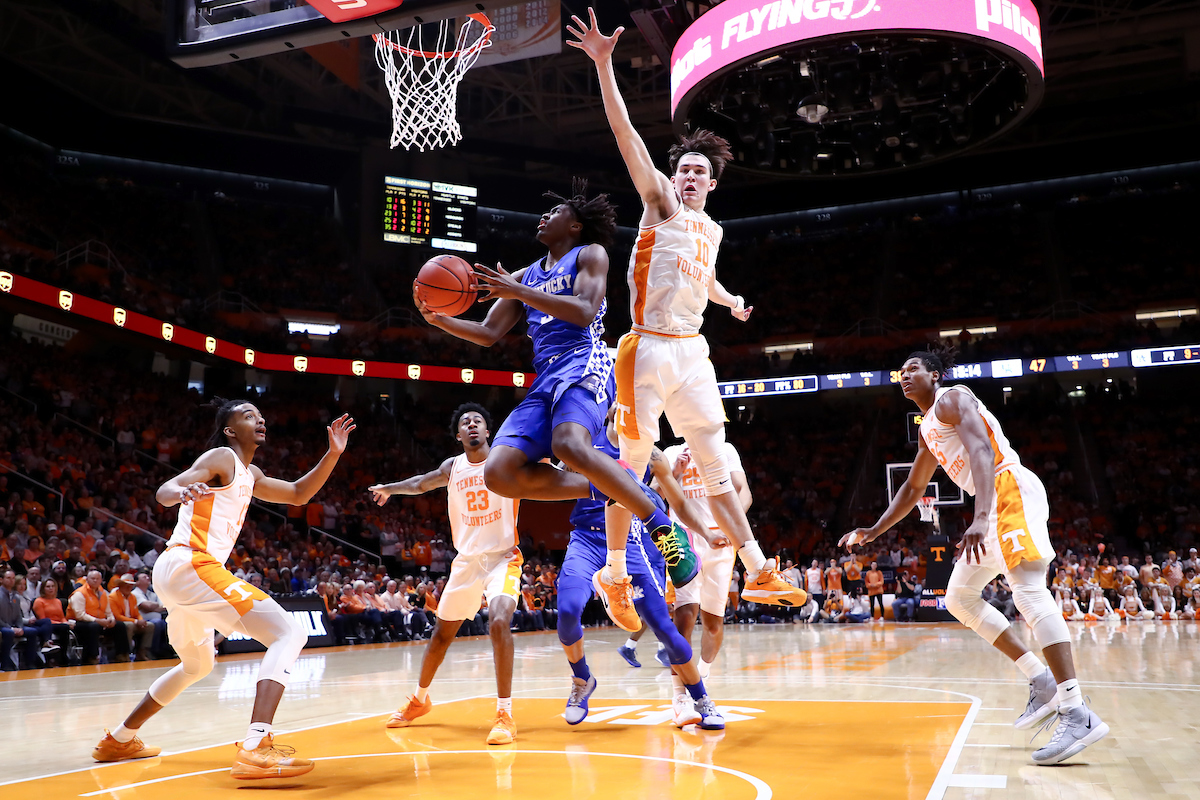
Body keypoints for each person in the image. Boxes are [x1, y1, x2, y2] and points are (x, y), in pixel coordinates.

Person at [566, 9, 804, 611]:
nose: (690, 177)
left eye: (700, 172)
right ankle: (615, 572)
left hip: (692, 348)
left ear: (713, 184)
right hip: (644, 345)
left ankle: (757, 567)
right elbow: (629, 141)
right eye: (684, 170)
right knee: (634, 464)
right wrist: (603, 67)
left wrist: (730, 300)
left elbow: (706, 278)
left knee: (715, 457)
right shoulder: (661, 205)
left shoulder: (713, 231)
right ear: (674, 179)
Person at [412, 182, 692, 633]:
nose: (543, 217)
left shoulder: (590, 254)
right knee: (498, 474)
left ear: (575, 225)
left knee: (567, 443)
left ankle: (659, 523)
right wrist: (440, 319)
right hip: (545, 377)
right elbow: (487, 332)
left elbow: (583, 311)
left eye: (555, 211)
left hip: (587, 360)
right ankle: (611, 489)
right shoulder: (523, 275)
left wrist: (517, 291)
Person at [840, 346, 1108, 765]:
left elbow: (983, 451)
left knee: (1029, 592)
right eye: (900, 372)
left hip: (1006, 490)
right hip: (991, 502)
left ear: (935, 375)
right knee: (958, 599)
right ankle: (1040, 680)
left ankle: (1076, 712)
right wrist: (873, 530)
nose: (905, 376)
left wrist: (981, 516)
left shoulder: (952, 398)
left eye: (913, 369)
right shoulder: (928, 429)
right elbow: (912, 490)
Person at [92, 398, 355, 780]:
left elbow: (299, 494)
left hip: (179, 571)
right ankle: (255, 747)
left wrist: (333, 454)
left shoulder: (252, 474)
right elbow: (166, 490)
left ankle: (119, 739)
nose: (259, 419)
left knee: (198, 665)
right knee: (290, 633)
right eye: (249, 416)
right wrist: (179, 493)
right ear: (231, 430)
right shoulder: (222, 457)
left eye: (261, 415)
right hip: (191, 563)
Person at [554, 405, 724, 730]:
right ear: (607, 409)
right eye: (619, 399)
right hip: (587, 540)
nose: (626, 406)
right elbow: (552, 479)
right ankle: (581, 680)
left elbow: (681, 503)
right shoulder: (583, 441)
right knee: (568, 609)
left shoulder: (654, 455)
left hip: (631, 541)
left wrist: (706, 532)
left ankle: (701, 699)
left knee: (663, 625)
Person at [370, 403, 523, 745]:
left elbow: (541, 467)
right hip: (467, 561)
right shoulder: (452, 468)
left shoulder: (505, 460)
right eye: (465, 422)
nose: (471, 425)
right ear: (459, 435)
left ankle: (504, 713)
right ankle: (420, 699)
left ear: (488, 432)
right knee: (441, 635)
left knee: (498, 620)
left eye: (477, 421)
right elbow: (421, 484)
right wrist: (390, 488)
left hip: (503, 557)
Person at [659, 440, 768, 682]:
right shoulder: (671, 452)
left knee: (713, 621)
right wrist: (674, 472)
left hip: (721, 539)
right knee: (684, 616)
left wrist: (732, 527)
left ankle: (702, 675)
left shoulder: (724, 448)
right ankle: (681, 689)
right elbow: (651, 493)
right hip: (683, 539)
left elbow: (744, 492)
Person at [68, 569, 129, 664]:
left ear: (101, 580)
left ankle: (122, 654)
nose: (95, 581)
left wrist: (111, 619)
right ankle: (92, 657)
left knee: (119, 625)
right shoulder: (79, 593)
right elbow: (80, 615)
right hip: (78, 623)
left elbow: (108, 611)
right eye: (93, 578)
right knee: (94, 626)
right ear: (87, 580)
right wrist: (98, 621)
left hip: (99, 622)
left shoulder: (103, 593)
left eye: (97, 579)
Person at [110, 574, 154, 662]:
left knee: (150, 625)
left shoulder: (132, 597)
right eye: (126, 585)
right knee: (129, 626)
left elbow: (137, 613)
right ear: (120, 585)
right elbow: (117, 616)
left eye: (130, 585)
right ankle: (127, 653)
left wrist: (141, 620)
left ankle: (142, 653)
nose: (128, 587)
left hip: (132, 621)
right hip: (120, 623)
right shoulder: (112, 597)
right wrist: (136, 621)